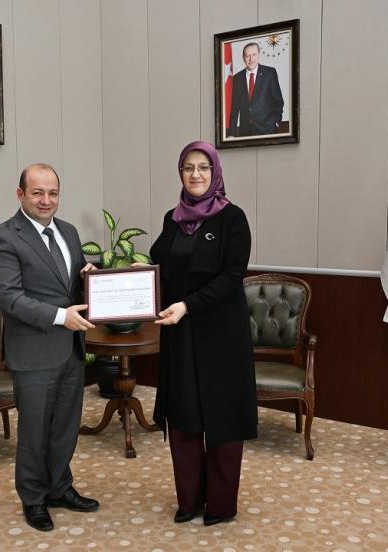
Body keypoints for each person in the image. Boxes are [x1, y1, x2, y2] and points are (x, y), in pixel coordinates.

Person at [148, 141, 258, 526]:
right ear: (180, 173)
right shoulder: (172, 219)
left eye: (203, 167)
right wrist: (124, 275)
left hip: (222, 336)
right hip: (180, 336)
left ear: (215, 172)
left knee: (223, 419)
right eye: (188, 168)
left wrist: (188, 305)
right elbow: (158, 266)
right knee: (184, 417)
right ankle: (189, 500)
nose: (195, 174)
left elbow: (232, 276)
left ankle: (221, 505)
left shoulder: (233, 219)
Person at [0, 163, 98, 532]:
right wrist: (60, 317)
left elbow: (69, 284)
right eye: (37, 193)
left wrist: (88, 276)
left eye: (52, 193)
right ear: (21, 195)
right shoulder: (2, 237)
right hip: (33, 353)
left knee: (65, 427)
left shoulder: (69, 231)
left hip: (71, 350)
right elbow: (10, 299)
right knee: (34, 432)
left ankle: (59, 488)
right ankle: (33, 499)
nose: (46, 200)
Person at [228, 42, 284, 137]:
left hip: (267, 130)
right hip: (245, 132)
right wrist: (231, 134)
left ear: (258, 55)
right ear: (243, 58)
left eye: (254, 55)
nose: (251, 59)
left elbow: (278, 101)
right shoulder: (237, 79)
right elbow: (234, 109)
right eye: (247, 56)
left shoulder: (270, 73)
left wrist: (276, 121)